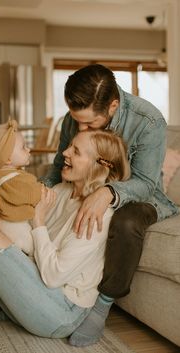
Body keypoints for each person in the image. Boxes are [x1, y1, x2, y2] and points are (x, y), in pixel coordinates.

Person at [0, 129, 130, 340]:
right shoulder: (60, 191)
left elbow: (53, 276)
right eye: (69, 146)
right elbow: (20, 234)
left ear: (98, 165)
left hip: (60, 313)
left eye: (76, 151)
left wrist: (39, 221)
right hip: (39, 291)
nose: (65, 153)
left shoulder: (98, 215)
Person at [41, 64, 179, 346]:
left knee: (125, 221)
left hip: (144, 196)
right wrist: (35, 192)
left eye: (90, 124)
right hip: (91, 185)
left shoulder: (148, 120)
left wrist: (107, 192)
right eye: (76, 120)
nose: (80, 128)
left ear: (113, 105)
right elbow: (59, 166)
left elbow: (145, 183)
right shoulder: (76, 118)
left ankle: (102, 305)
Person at [0, 119, 41, 252]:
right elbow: (31, 195)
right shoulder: (17, 180)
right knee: (33, 249)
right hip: (15, 227)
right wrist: (42, 190)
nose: (28, 149)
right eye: (23, 147)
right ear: (8, 159)